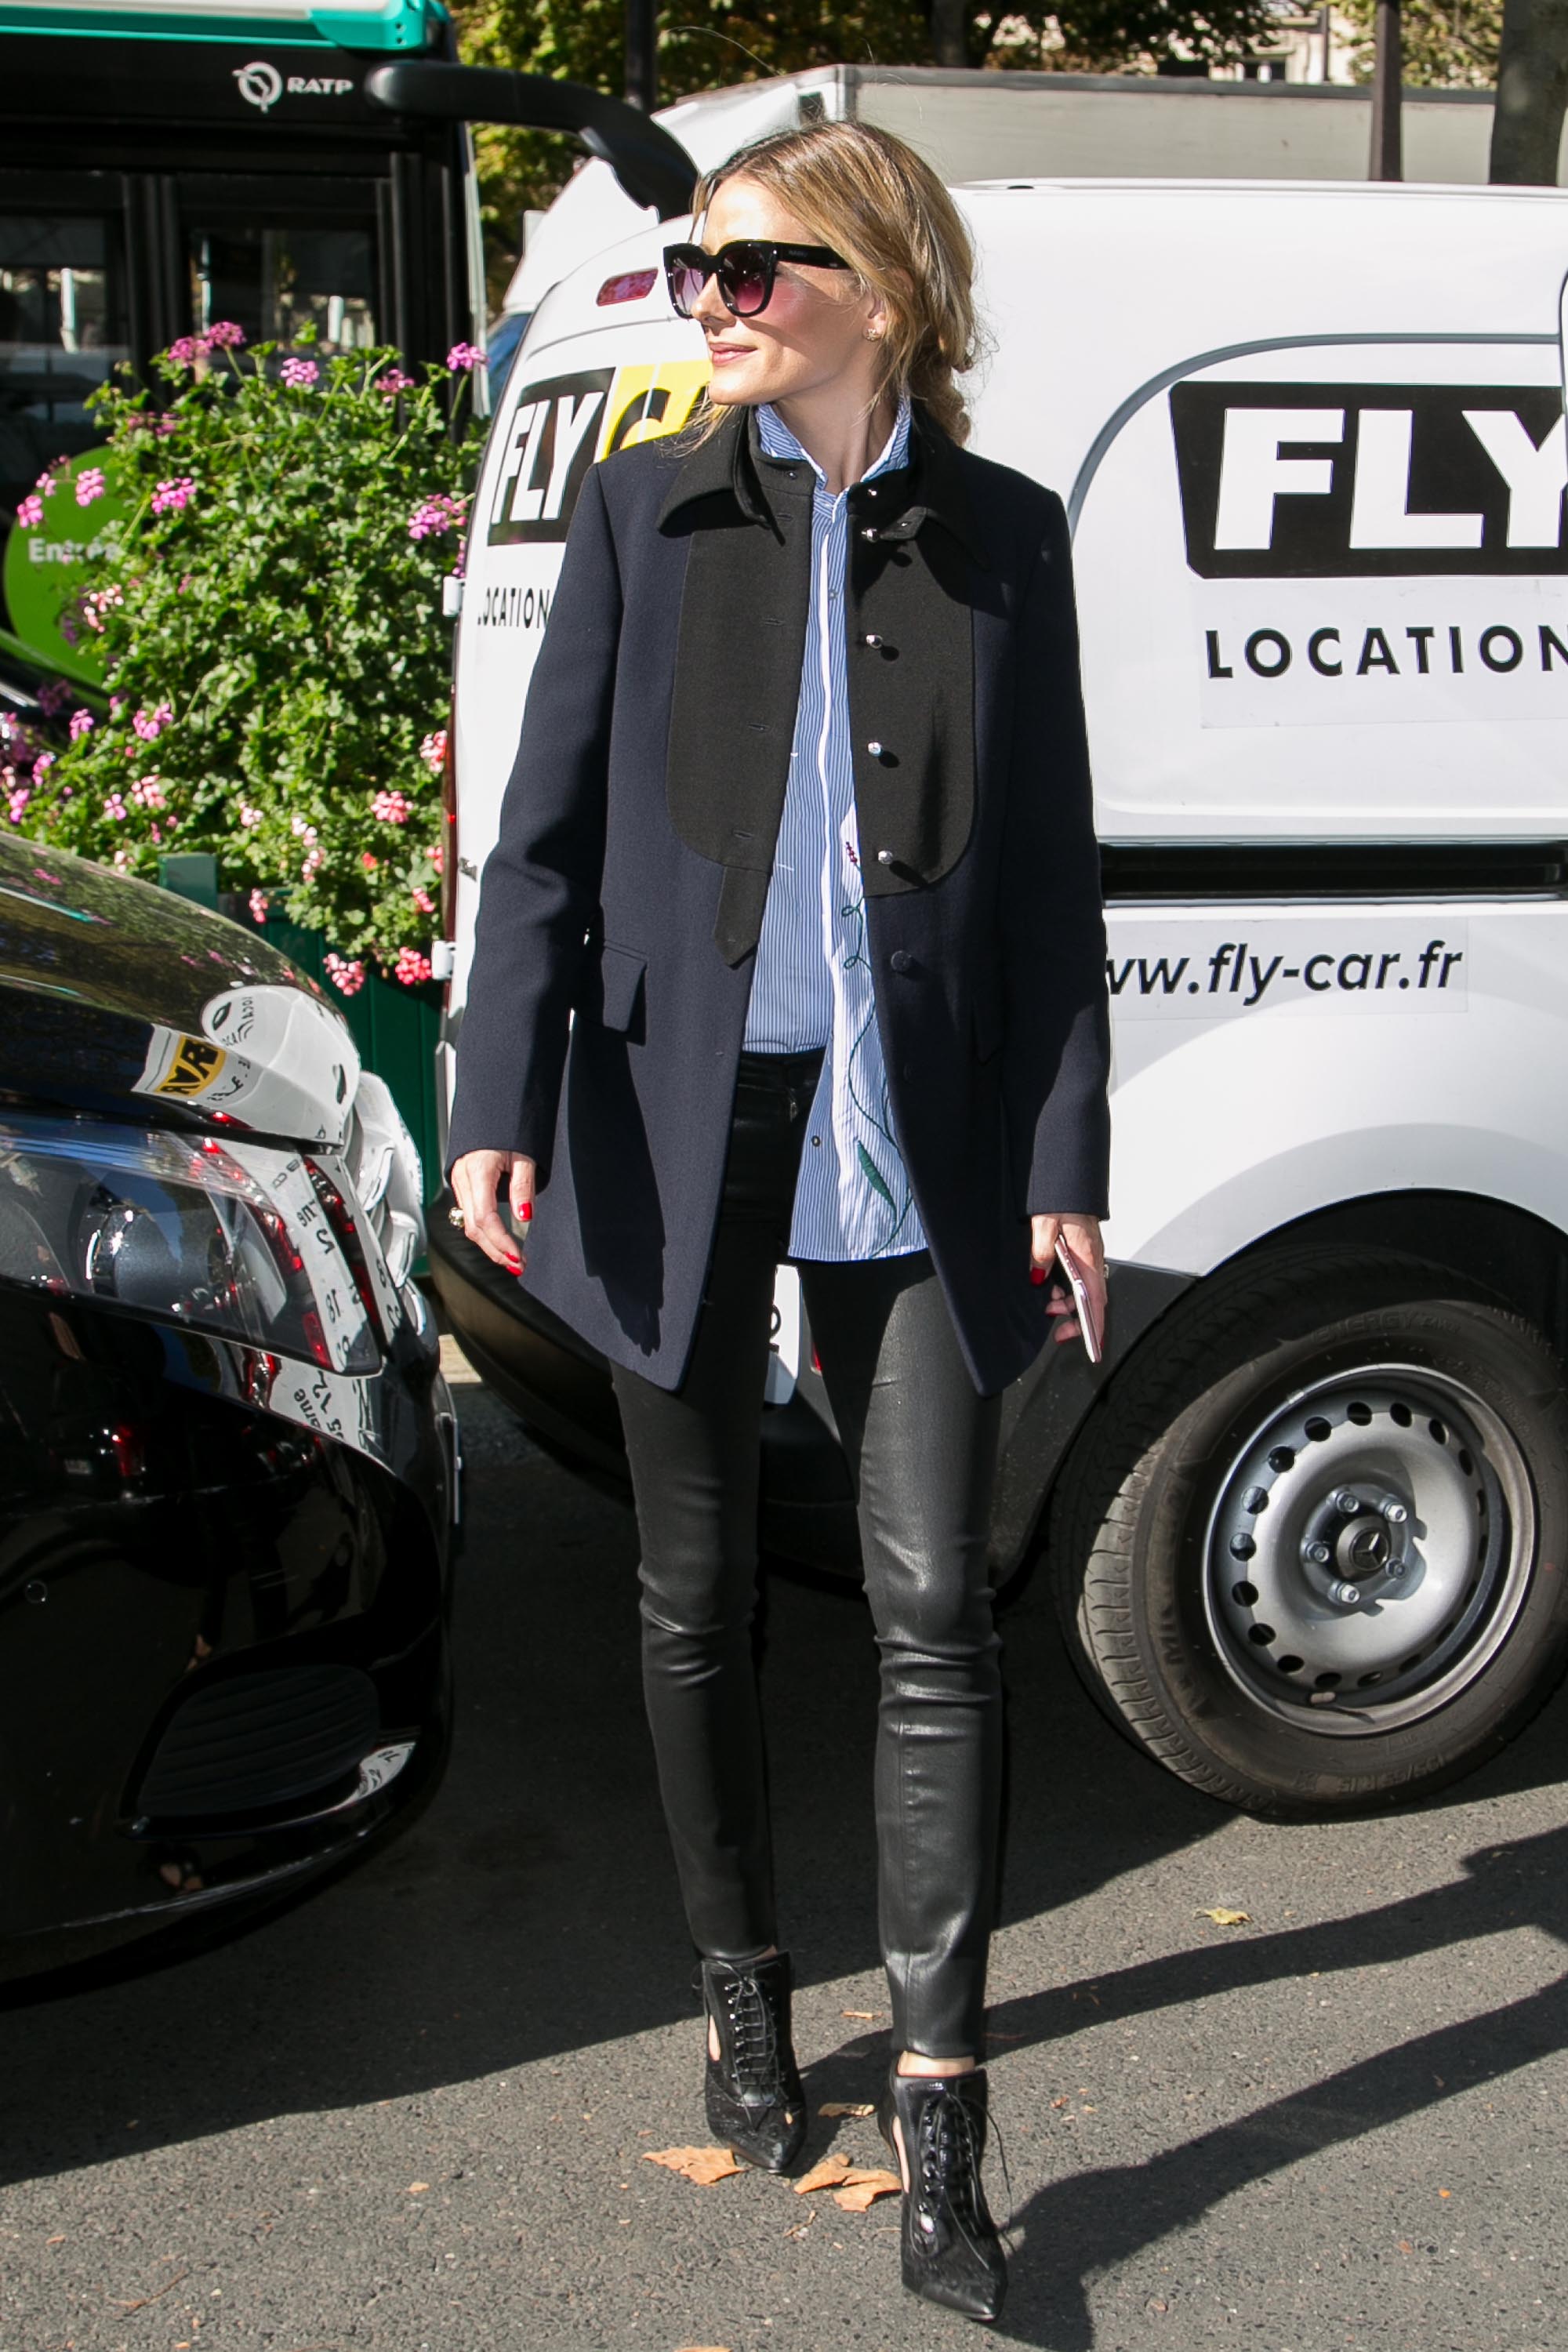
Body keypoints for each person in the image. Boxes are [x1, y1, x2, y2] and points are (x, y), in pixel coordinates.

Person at [446, 118, 1111, 2324]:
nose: (709, 300)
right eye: (697, 268)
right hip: (674, 1123)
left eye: (753, 268)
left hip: (913, 1144)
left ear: (882, 291)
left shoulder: (1008, 538)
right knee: (696, 1590)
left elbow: (1047, 890)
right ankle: (744, 1987)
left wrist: (1060, 1169)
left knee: (939, 1614)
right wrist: (494, 1098)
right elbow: (538, 847)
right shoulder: (650, 510)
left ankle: (942, 2121)